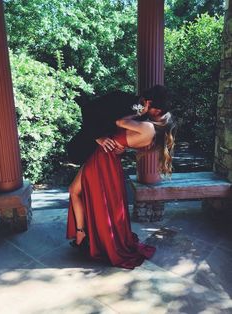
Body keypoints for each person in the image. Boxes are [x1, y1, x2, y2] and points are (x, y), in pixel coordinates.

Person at [66, 85, 176, 269]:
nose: (153, 112)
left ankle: (83, 235)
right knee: (93, 199)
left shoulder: (147, 127)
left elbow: (119, 122)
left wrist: (139, 111)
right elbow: (123, 139)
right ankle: (85, 236)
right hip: (106, 158)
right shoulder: (151, 132)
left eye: (156, 110)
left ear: (155, 109)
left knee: (80, 193)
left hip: (102, 158)